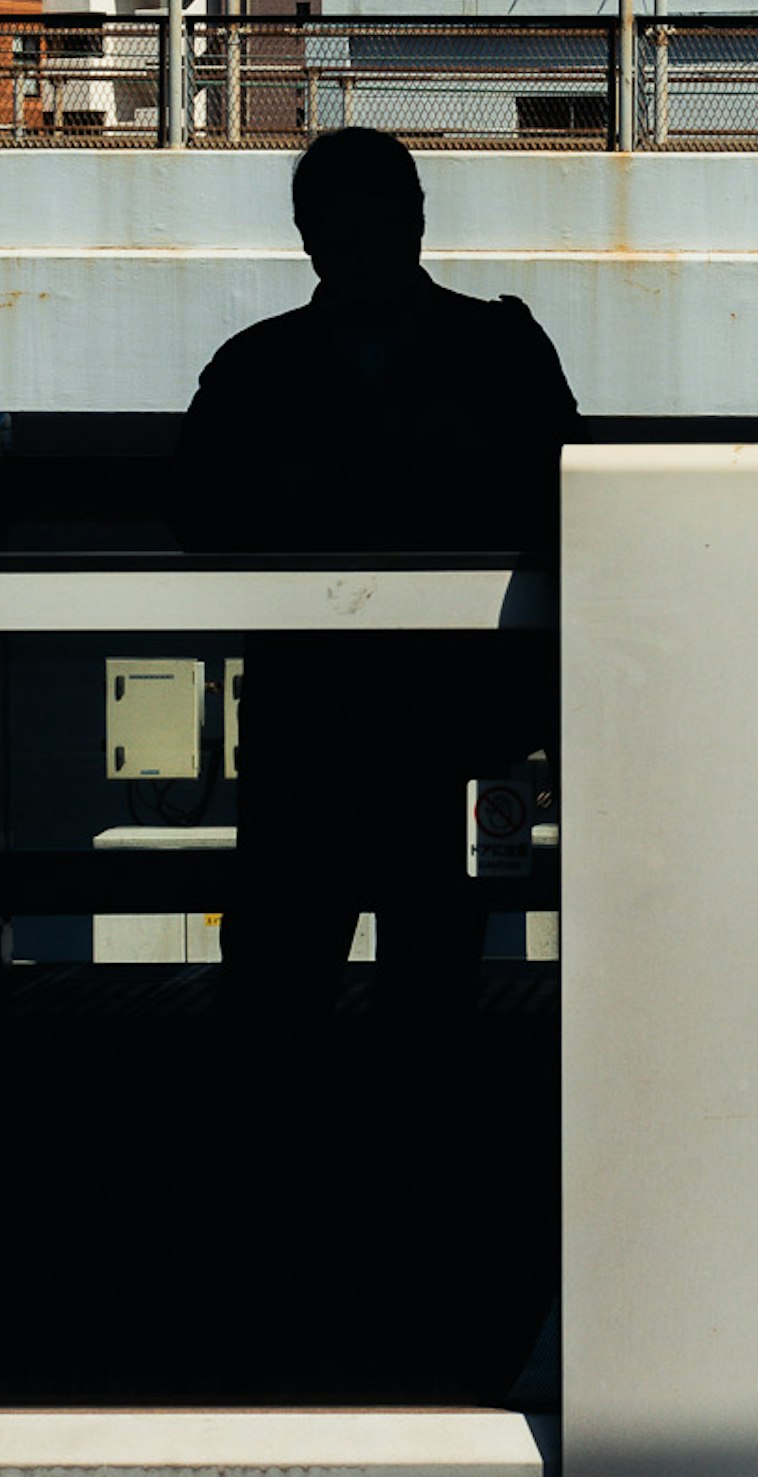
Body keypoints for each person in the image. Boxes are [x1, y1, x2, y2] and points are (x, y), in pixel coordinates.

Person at [174, 128, 578, 1016]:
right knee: (434, 975)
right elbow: (569, 515)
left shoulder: (255, 369)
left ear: (305, 234)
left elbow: (198, 521)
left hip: (307, 721)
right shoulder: (500, 352)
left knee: (281, 976)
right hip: (453, 724)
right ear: (420, 220)